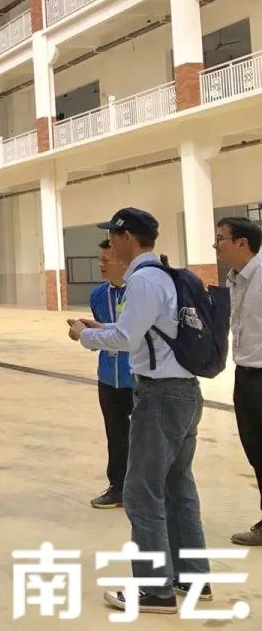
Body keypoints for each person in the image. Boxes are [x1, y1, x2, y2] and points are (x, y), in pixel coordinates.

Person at [68, 207, 211, 613]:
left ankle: (154, 590)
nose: (108, 245)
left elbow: (128, 338)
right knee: (178, 487)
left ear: (127, 237)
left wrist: (85, 336)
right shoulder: (165, 274)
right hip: (183, 391)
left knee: (142, 492)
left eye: (112, 236)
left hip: (160, 396)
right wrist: (101, 330)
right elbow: (143, 333)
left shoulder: (144, 279)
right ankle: (192, 577)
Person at [214, 217, 262, 545]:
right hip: (244, 375)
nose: (215, 245)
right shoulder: (235, 279)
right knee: (256, 452)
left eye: (221, 239)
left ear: (241, 243)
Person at [87, 238, 134, 510]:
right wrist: (87, 335)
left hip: (137, 378)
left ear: (123, 262)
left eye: (106, 260)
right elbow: (100, 337)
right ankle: (118, 487)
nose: (101, 265)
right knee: (115, 436)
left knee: (145, 437)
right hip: (108, 378)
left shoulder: (138, 293)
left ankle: (149, 489)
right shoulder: (97, 295)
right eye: (99, 260)